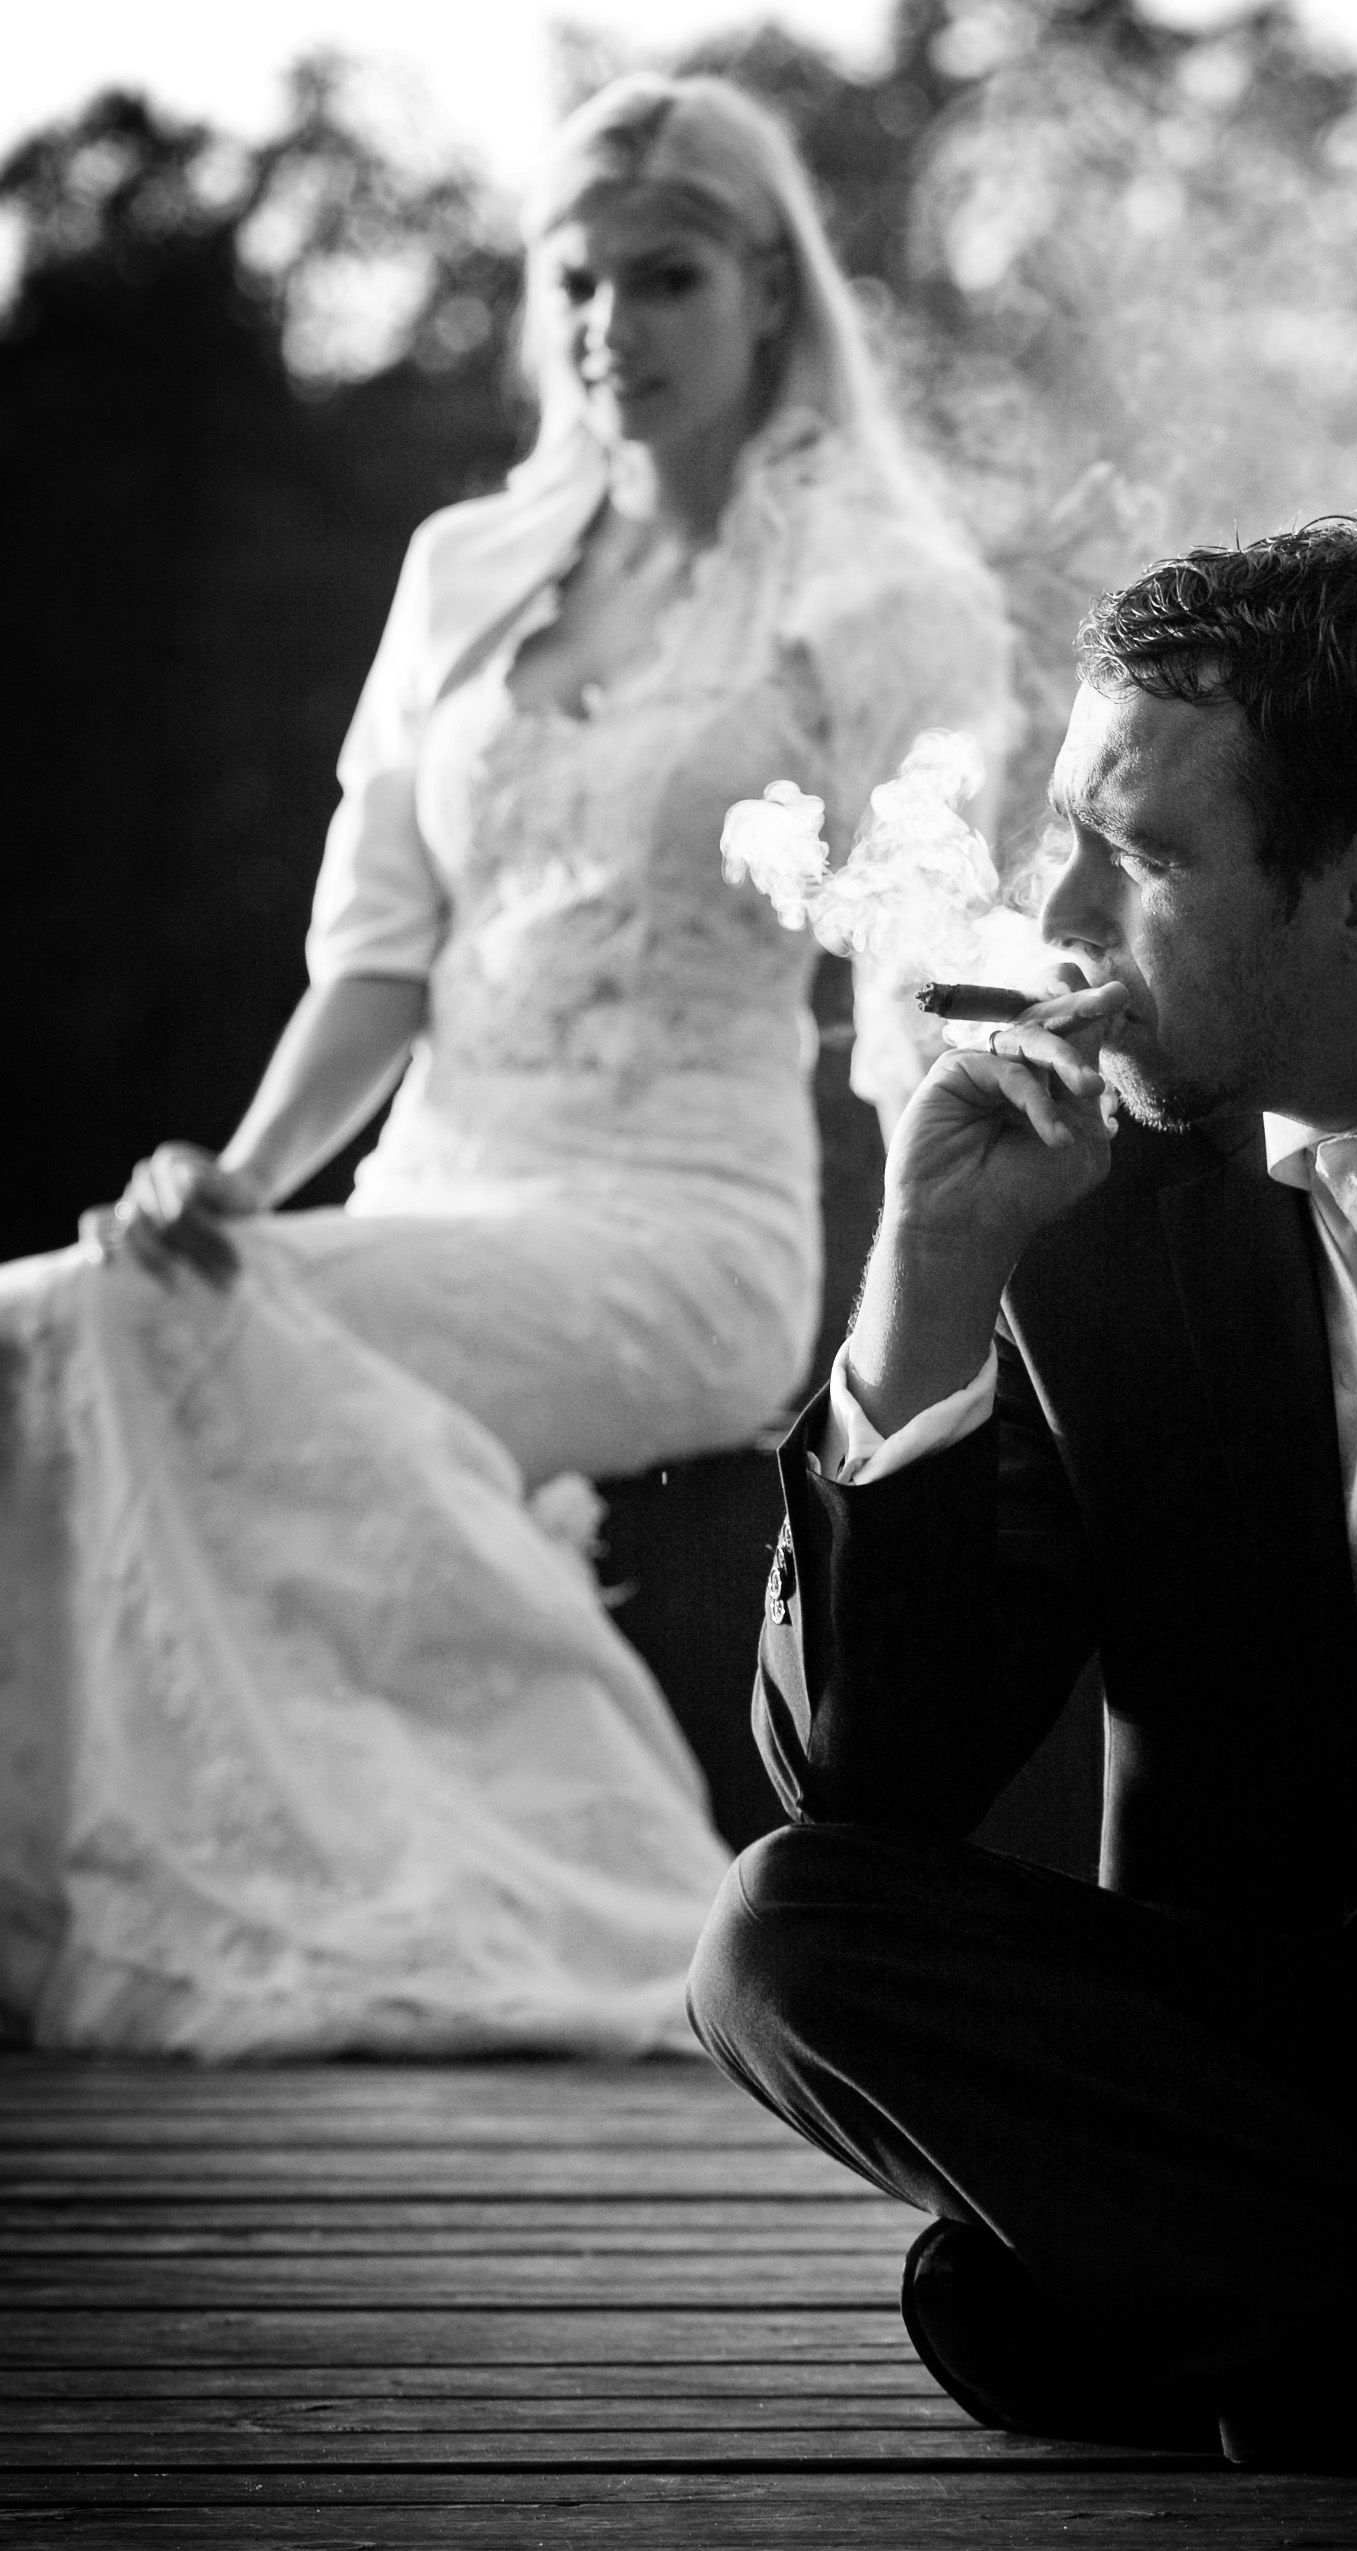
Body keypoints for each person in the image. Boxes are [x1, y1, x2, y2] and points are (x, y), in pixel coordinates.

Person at [687, 519, 1357, 2476]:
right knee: (782, 1934)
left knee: (1028, 2302)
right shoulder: (1093, 1210)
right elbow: (867, 1789)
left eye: (1137, 855)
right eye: (1065, 840)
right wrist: (929, 1270)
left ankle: (1309, 2312)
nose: (1060, 914)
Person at [0, 74, 1011, 2060]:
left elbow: (923, 965)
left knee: (108, 1337)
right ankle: (145, 1890)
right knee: (56, 1317)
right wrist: (242, 1179)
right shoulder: (464, 570)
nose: (611, 324)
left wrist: (957, 1266)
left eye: (667, 276)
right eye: (576, 280)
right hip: (428, 1200)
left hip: (680, 1234)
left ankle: (594, 1897)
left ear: (770, 293)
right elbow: (378, 954)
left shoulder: (877, 596)